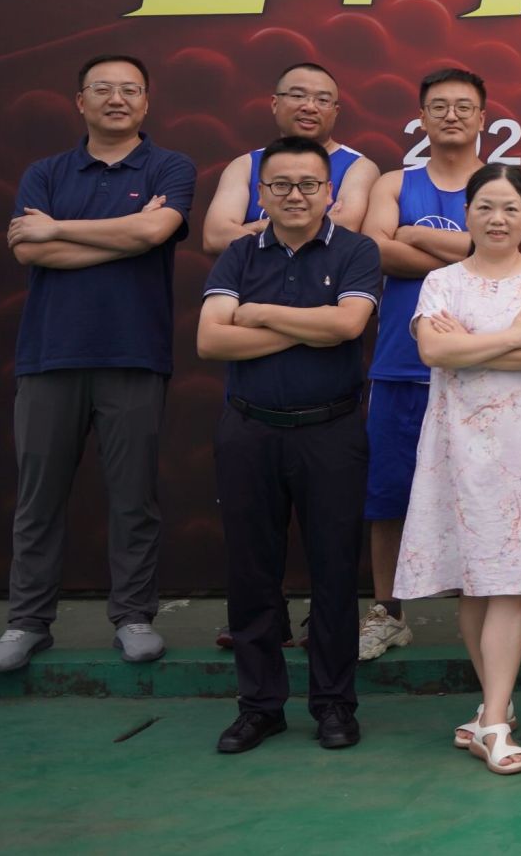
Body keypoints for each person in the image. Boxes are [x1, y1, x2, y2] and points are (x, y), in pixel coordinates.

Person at [0, 55, 194, 675]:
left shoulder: (169, 167)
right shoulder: (46, 172)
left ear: (146, 101)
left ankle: (133, 617)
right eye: (102, 88)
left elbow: (152, 235)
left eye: (130, 89)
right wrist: (122, 232)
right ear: (79, 101)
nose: (116, 98)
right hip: (49, 355)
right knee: (37, 499)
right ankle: (27, 623)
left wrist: (59, 231)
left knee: (134, 498)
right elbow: (29, 250)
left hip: (133, 353)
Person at [197, 136, 380, 753]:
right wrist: (309, 327)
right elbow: (210, 341)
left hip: (331, 432)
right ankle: (259, 706)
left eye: (308, 184)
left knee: (334, 573)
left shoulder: (356, 250)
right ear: (262, 193)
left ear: (329, 192)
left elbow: (348, 325)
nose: (295, 195)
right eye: (281, 184)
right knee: (251, 574)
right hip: (249, 430)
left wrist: (256, 313)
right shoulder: (239, 253)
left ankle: (334, 704)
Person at [399, 164, 521, 776]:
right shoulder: (441, 282)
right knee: (473, 580)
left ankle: (495, 721)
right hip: (456, 445)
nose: (497, 219)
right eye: (485, 207)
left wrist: (471, 345)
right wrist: (514, 334)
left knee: (509, 580)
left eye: (509, 208)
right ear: (466, 214)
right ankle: (491, 709)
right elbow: (433, 350)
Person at [358, 68, 486, 662]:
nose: (451, 115)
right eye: (439, 106)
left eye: (463, 106)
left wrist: (412, 235)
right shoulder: (395, 181)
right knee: (387, 496)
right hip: (399, 366)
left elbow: (503, 252)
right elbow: (372, 248)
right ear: (421, 117)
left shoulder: (497, 183)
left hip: (480, 369)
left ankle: (484, 612)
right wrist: (465, 254)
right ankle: (389, 613)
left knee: (483, 495)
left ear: (483, 117)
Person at [201, 61, 378, 253]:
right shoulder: (245, 165)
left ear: (335, 112)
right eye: (297, 96)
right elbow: (215, 237)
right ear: (275, 104)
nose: (310, 107)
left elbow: (345, 229)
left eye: (322, 100)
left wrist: (258, 227)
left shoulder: (358, 167)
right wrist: (316, 226)